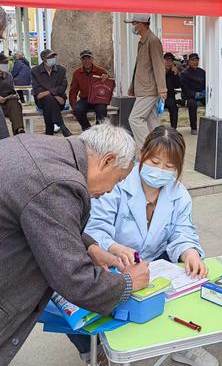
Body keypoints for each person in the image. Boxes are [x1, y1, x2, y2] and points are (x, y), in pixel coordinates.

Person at [0, 123, 150, 364]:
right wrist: (128, 283)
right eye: (118, 179)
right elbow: (74, 279)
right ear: (107, 161)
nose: (112, 190)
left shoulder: (47, 149)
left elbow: (46, 218)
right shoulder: (56, 183)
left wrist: (91, 247)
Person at [85, 126, 218, 366]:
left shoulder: (179, 194)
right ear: (142, 155)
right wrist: (114, 248)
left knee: (186, 285)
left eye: (169, 167)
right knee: (100, 301)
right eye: (155, 162)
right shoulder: (117, 184)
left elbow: (182, 231)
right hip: (115, 263)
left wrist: (190, 252)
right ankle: (97, 351)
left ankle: (182, 343)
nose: (160, 171)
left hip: (155, 263)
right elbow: (95, 230)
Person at [126, 13, 167, 148]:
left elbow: (158, 65)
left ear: (141, 24)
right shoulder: (144, 40)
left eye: (134, 23)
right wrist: (133, 86)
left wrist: (162, 89)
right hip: (144, 88)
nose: (133, 26)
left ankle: (146, 149)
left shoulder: (153, 41)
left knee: (135, 119)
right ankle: (160, 148)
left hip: (148, 89)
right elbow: (140, 68)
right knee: (152, 122)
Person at [31, 49, 72, 137]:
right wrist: (55, 95)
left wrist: (48, 92)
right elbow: (37, 91)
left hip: (59, 102)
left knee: (49, 101)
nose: (52, 58)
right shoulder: (35, 71)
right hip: (44, 101)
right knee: (48, 100)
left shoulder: (61, 70)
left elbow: (62, 87)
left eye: (53, 56)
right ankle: (61, 125)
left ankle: (49, 133)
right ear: (43, 59)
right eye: (49, 57)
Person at [69, 49, 110, 131]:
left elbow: (110, 86)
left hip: (98, 99)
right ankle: (88, 130)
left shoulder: (101, 71)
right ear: (81, 60)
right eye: (84, 59)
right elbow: (73, 91)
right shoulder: (77, 73)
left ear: (92, 59)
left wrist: (107, 78)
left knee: (102, 111)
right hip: (85, 99)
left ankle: (98, 132)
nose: (86, 61)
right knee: (78, 110)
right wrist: (73, 105)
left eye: (88, 58)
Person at [0, 52, 25, 135]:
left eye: (6, 63)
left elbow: (12, 90)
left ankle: (19, 130)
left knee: (15, 103)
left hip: (7, 101)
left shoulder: (8, 75)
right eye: (3, 63)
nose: (6, 65)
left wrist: (15, 95)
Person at [181, 53, 206, 135]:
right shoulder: (184, 73)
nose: (195, 62)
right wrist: (194, 94)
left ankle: (209, 125)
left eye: (197, 60)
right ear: (189, 61)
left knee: (212, 101)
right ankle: (194, 127)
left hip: (202, 95)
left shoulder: (202, 72)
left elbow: (206, 84)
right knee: (192, 104)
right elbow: (185, 89)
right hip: (190, 95)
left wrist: (204, 92)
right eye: (193, 60)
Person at [164, 52, 182, 129]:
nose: (169, 63)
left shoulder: (173, 72)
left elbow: (177, 85)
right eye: (167, 60)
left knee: (174, 108)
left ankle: (173, 129)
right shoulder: (159, 71)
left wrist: (176, 74)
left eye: (171, 61)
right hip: (158, 97)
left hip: (170, 97)